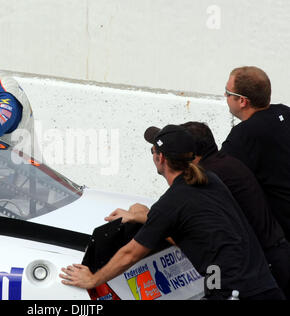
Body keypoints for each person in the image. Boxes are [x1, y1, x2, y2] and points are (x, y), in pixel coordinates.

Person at [60, 124, 284, 300]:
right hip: (265, 284)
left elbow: (130, 254)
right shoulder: (211, 180)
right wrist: (144, 216)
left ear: (161, 158)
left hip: (234, 292)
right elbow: (193, 229)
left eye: (153, 151)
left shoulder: (171, 203)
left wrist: (93, 279)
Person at [181, 121, 290, 299]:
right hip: (276, 253)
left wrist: (147, 218)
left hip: (264, 266)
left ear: (191, 155)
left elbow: (188, 226)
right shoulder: (228, 163)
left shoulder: (209, 178)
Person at [220, 66, 290, 242]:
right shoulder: (285, 112)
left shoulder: (243, 135)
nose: (225, 96)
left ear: (242, 101)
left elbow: (216, 177)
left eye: (228, 93)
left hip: (281, 236)